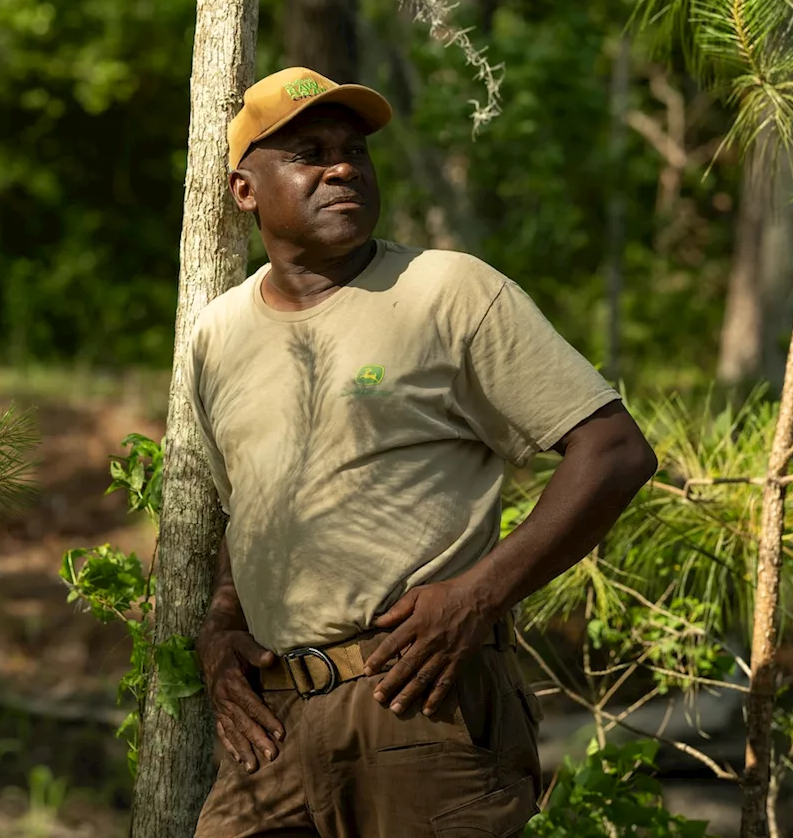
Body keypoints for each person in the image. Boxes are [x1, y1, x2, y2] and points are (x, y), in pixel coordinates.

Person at [184, 66, 658, 838]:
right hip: (269, 722)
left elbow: (613, 451)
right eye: (310, 152)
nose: (343, 167)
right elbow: (243, 504)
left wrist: (478, 595)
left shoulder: (449, 290)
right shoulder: (218, 334)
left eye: (357, 153)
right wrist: (222, 623)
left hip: (414, 698)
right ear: (246, 190)